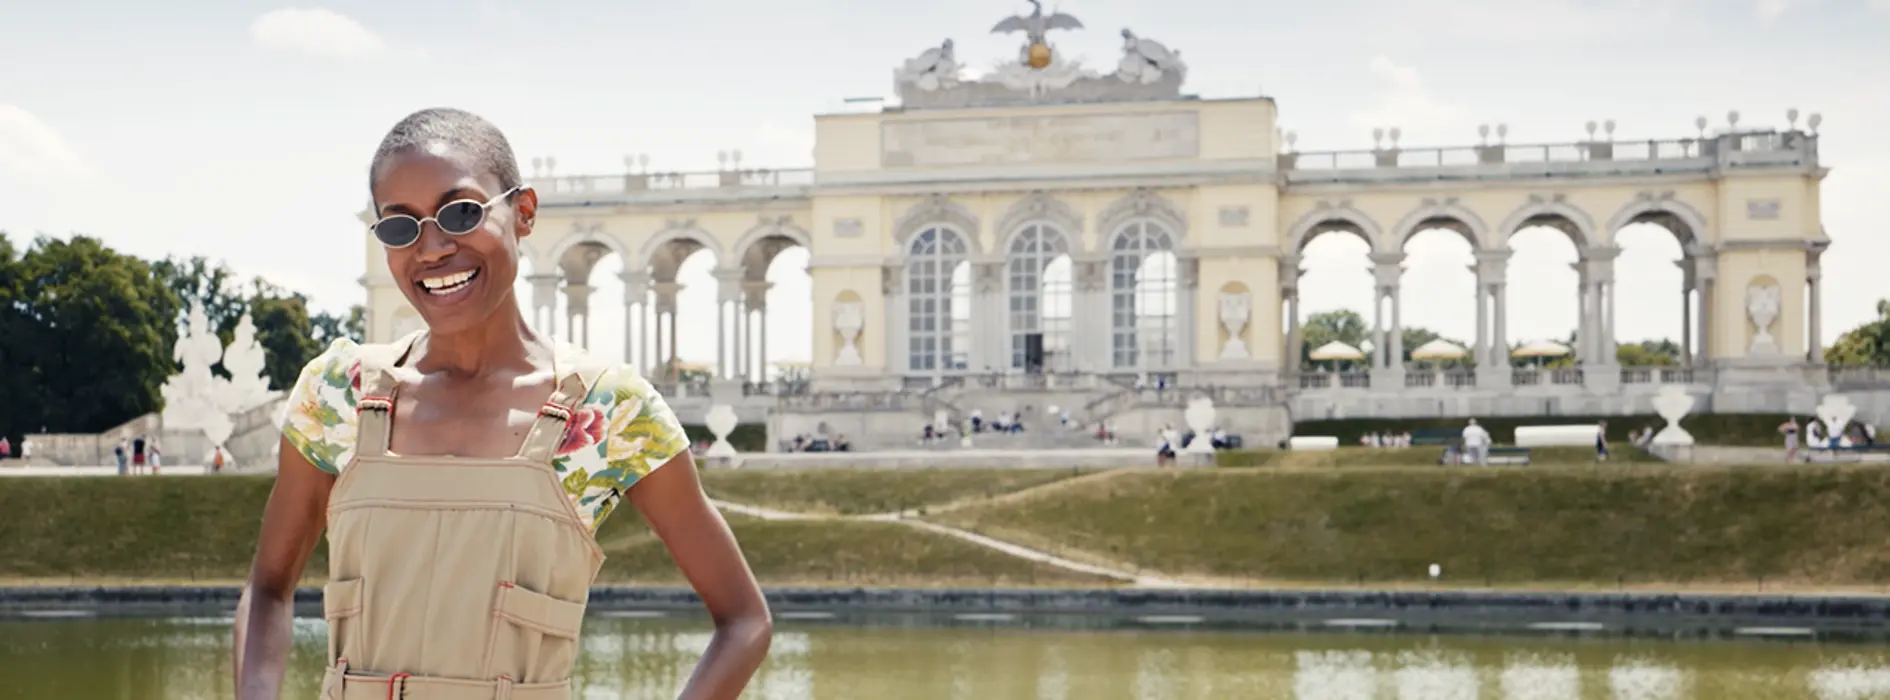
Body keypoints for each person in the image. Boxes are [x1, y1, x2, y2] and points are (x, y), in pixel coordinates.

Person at [233, 108, 770, 700]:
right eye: (399, 227)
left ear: (524, 213)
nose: (432, 247)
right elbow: (268, 588)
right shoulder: (339, 393)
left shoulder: (610, 414)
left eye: (460, 212)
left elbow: (744, 621)